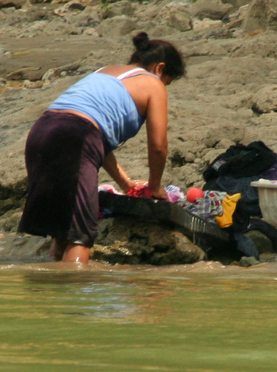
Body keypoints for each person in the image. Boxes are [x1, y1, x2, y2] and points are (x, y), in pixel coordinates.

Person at [18, 31, 186, 264]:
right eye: (167, 81)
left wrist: (125, 183)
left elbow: (96, 136)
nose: (164, 86)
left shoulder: (104, 71)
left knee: (62, 229)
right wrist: (155, 187)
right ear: (159, 69)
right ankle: (73, 295)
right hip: (75, 136)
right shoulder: (152, 83)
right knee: (81, 236)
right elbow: (158, 146)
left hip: (42, 131)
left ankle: (51, 295)